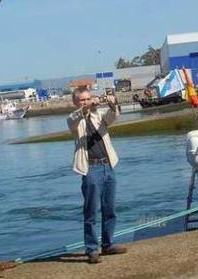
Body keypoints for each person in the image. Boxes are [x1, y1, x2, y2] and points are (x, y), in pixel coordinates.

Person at [67, 87, 128, 264]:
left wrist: (112, 105)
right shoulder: (73, 119)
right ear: (76, 102)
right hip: (91, 169)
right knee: (91, 210)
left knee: (110, 208)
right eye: (82, 100)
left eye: (88, 99)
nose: (87, 102)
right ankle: (92, 250)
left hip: (108, 165)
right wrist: (85, 109)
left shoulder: (98, 115)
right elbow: (75, 118)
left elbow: (111, 118)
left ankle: (108, 244)